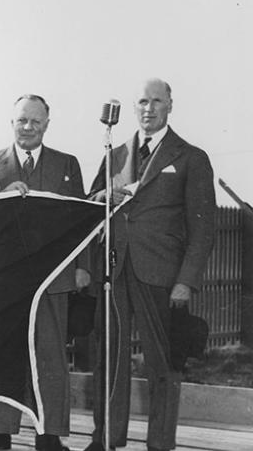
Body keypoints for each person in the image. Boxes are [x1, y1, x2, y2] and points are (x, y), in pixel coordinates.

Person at [85, 78, 216, 451]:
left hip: (162, 275)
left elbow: (203, 230)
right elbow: (91, 205)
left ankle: (160, 442)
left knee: (163, 363)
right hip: (115, 269)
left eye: (157, 101)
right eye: (142, 101)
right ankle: (106, 437)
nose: (148, 108)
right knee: (109, 358)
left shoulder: (190, 157)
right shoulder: (116, 155)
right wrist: (104, 195)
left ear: (170, 105)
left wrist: (186, 281)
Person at [0, 94, 90, 451]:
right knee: (0, 354)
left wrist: (83, 268)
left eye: (36, 121)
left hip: (52, 279)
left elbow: (79, 218)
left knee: (50, 357)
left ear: (47, 125)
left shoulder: (67, 163)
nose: (28, 127)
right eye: (22, 120)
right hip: (2, 281)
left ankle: (48, 436)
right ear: (12, 123)